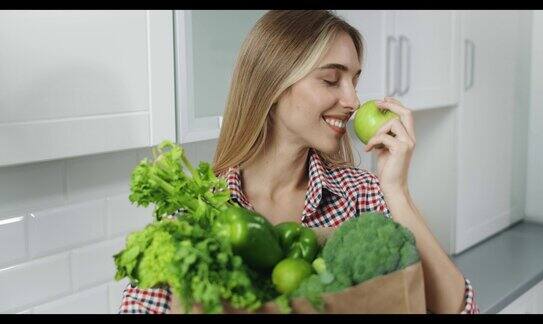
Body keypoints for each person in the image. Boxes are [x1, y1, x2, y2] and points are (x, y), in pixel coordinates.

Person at [119, 10, 479, 314]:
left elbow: (462, 309)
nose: (353, 100)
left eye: (355, 80)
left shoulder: (364, 195)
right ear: (273, 83)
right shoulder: (197, 214)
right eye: (331, 79)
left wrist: (397, 190)